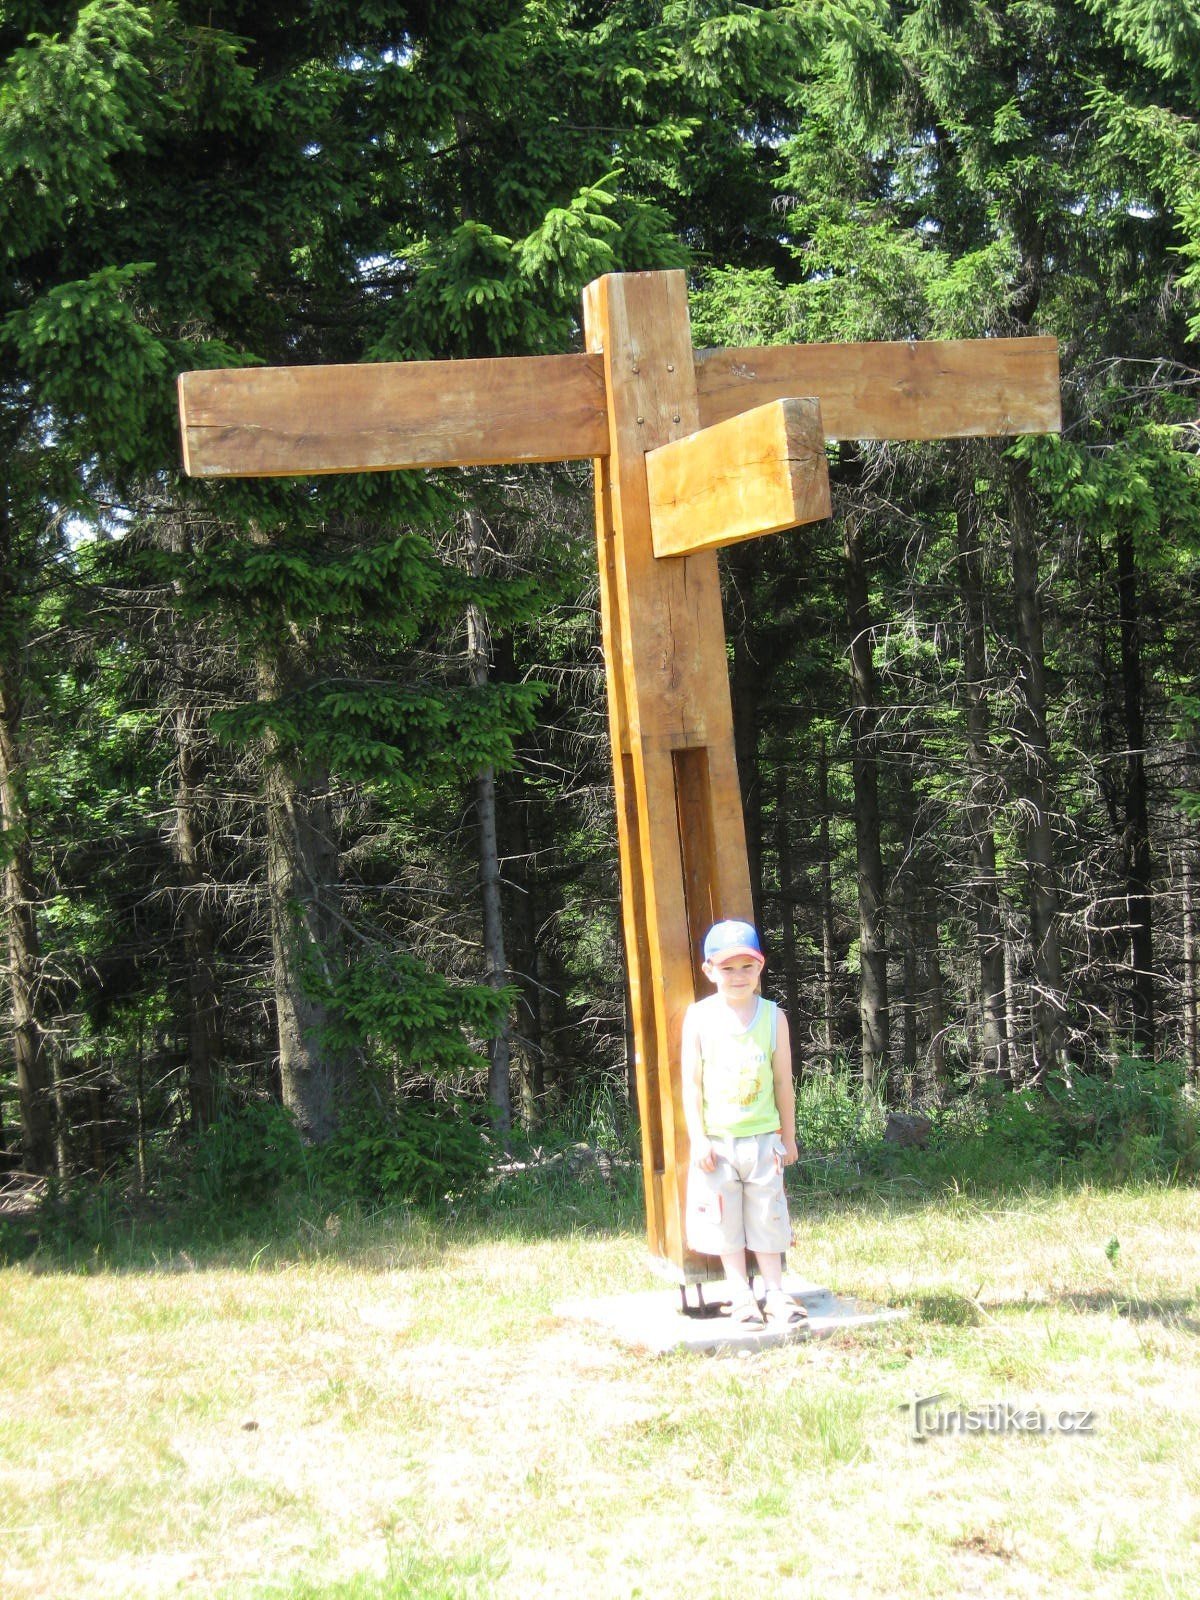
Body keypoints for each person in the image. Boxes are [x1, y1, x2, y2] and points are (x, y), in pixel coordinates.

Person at [682, 918, 805, 1327]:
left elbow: (784, 1081)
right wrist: (698, 1139)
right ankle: (739, 1294)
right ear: (709, 970)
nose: (738, 976)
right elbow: (691, 1084)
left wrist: (788, 1136)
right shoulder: (698, 1018)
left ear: (761, 967)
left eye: (746, 966)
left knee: (769, 1216)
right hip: (718, 1143)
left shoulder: (773, 1017)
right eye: (728, 967)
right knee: (723, 1220)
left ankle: (775, 1293)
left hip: (763, 1141)